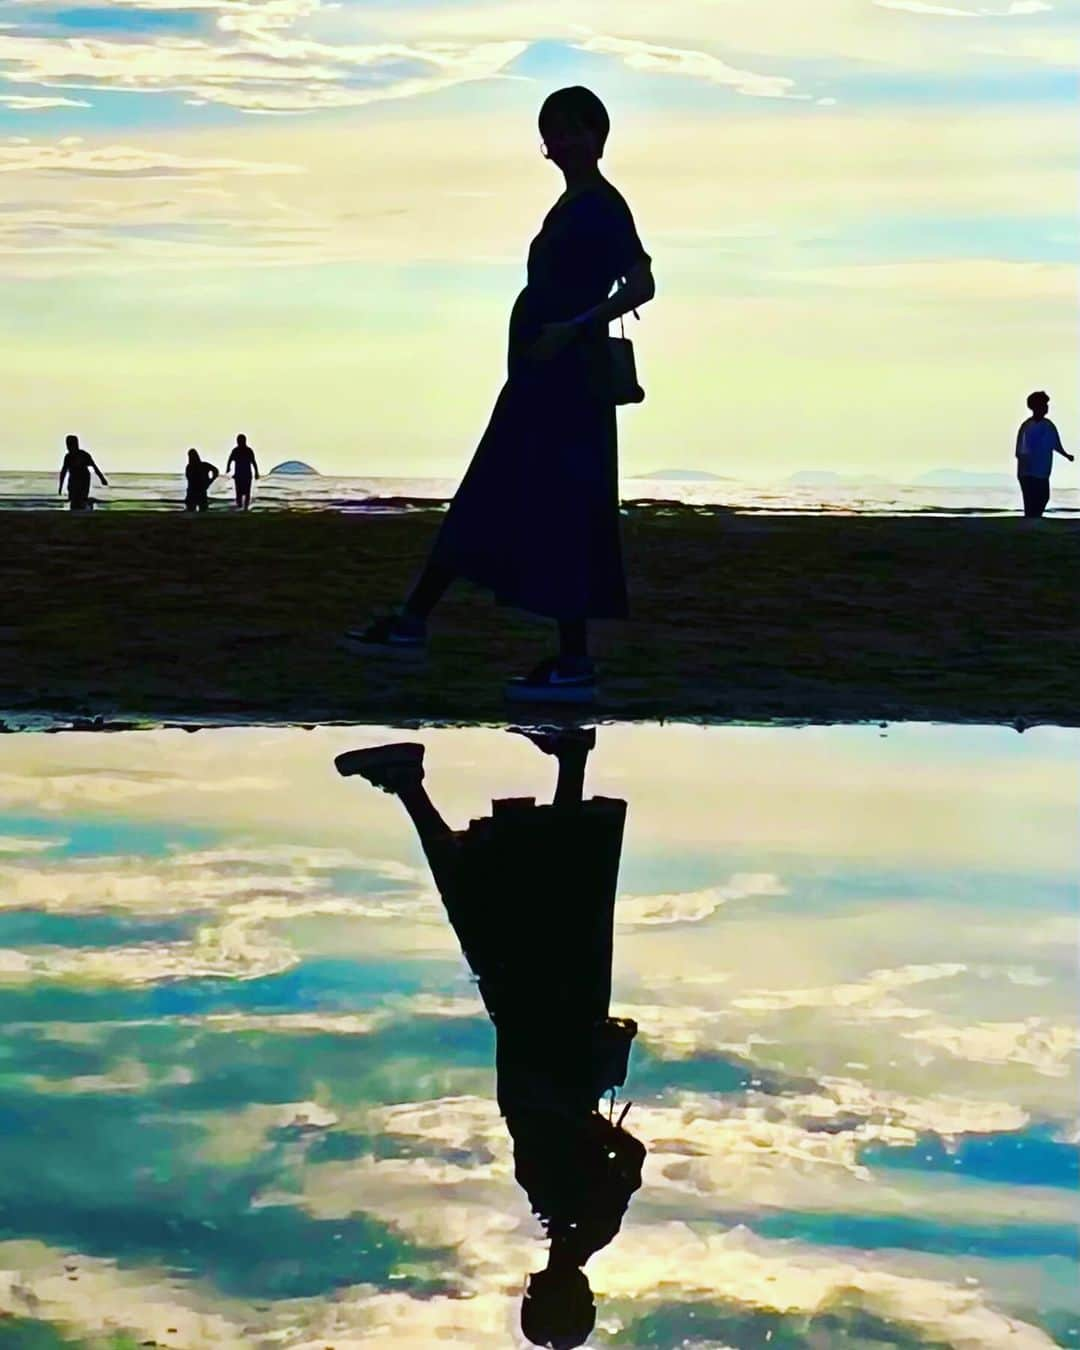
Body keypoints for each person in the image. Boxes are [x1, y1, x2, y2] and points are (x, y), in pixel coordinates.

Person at [344, 86, 656, 702]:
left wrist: (573, 328)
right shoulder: (572, 204)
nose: (561, 142)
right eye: (552, 132)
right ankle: (416, 622)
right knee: (492, 494)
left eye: (572, 129)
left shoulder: (603, 204)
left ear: (598, 135)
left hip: (569, 385)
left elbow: (643, 283)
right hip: (538, 381)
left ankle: (569, 661)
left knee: (563, 508)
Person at [335, 727, 644, 1349]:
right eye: (539, 1300)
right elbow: (628, 1162)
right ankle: (411, 782)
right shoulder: (583, 1228)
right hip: (546, 1036)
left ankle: (553, 761)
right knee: (516, 905)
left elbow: (624, 1163)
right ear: (557, 1295)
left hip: (545, 1039)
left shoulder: (571, 1228)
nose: (531, 1289)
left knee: (544, 901)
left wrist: (575, 1121)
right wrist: (575, 1118)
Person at [1015, 391, 1073, 518]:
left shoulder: (1048, 425)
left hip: (1042, 471)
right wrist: (1026, 464)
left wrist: (1066, 455)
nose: (1046, 407)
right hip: (1028, 472)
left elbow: (1056, 444)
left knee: (1042, 497)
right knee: (1032, 500)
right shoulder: (1027, 426)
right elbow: (1019, 450)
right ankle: (1031, 522)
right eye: (1044, 404)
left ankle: (1033, 520)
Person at [57, 434, 107, 511]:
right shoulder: (68, 457)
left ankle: (88, 505)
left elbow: (94, 466)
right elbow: (63, 471)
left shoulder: (83, 455)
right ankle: (76, 511)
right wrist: (60, 486)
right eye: (67, 444)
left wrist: (102, 478)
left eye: (70, 444)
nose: (68, 447)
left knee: (82, 498)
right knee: (73, 499)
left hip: (84, 480)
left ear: (76, 444)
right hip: (73, 480)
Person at [226, 434, 259, 510]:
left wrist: (256, 472)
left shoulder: (248, 450)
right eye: (238, 441)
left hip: (246, 474)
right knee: (239, 492)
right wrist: (228, 467)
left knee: (247, 492)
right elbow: (230, 459)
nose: (239, 442)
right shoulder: (236, 450)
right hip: (239, 474)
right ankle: (240, 506)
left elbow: (253, 462)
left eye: (240, 440)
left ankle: (245, 508)